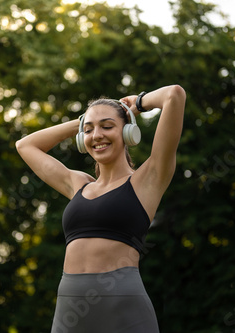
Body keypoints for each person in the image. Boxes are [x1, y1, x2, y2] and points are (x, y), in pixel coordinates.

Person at [16, 85, 186, 332]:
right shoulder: (78, 185)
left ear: (128, 132)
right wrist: (83, 122)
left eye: (107, 126)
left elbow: (174, 95)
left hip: (124, 308)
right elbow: (25, 145)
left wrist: (136, 104)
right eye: (89, 131)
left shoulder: (146, 180)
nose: (97, 135)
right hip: (69, 310)